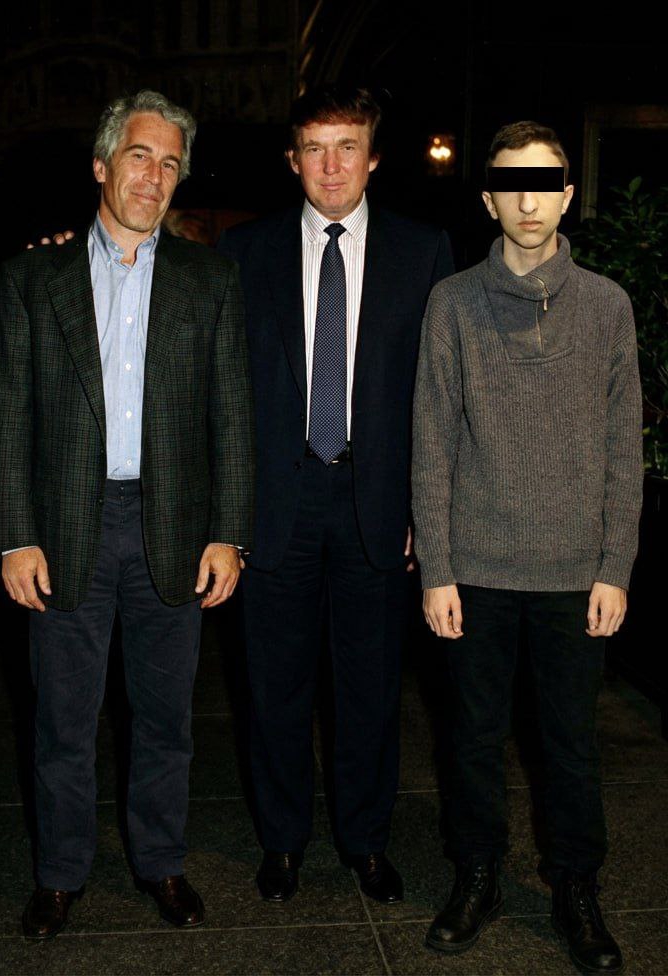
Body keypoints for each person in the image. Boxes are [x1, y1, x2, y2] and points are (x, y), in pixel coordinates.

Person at [0, 90, 254, 939]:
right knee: (62, 720)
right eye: (140, 156)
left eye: (170, 163)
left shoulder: (211, 279)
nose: (155, 176)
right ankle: (60, 874)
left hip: (174, 528)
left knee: (166, 718)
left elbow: (232, 414)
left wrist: (229, 532)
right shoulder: (33, 279)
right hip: (67, 527)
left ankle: (161, 863)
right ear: (102, 165)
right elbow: (8, 417)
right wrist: (15, 537)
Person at [412, 122, 642, 974]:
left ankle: (576, 886)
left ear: (567, 195)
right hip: (476, 569)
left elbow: (625, 449)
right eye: (513, 184)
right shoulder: (452, 303)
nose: (529, 201)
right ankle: (477, 874)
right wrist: (438, 569)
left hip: (573, 572)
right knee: (471, 740)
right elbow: (432, 441)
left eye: (545, 183)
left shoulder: (607, 305)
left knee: (569, 745)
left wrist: (615, 566)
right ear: (489, 199)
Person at [218, 85, 453, 904]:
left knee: (370, 688)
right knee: (273, 689)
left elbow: (438, 395)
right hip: (275, 509)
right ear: (292, 160)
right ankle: (282, 841)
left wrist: (428, 512)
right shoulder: (244, 252)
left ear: (373, 157)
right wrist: (228, 517)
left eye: (346, 147)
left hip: (375, 504)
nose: (331, 166)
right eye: (315, 149)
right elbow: (225, 393)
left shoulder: (422, 253)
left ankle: (365, 840)